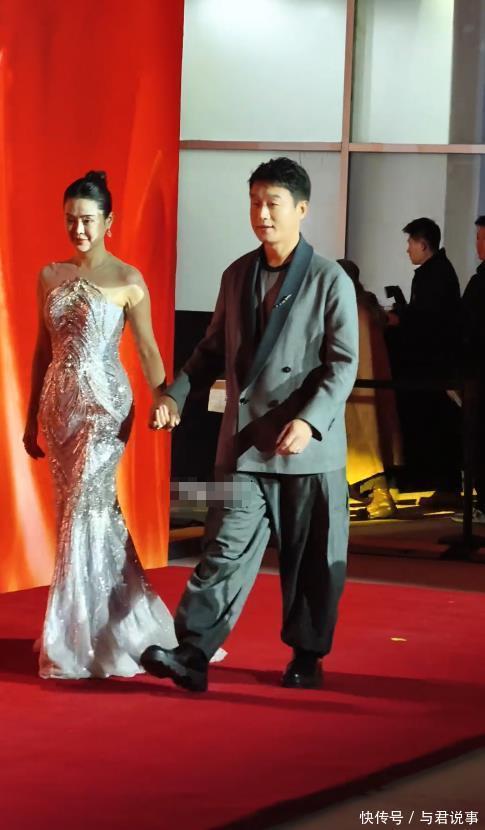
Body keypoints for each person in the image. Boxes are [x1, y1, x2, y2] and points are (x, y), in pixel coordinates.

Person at [141, 157, 358, 692]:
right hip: (243, 445)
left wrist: (309, 421)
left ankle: (307, 656)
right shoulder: (236, 274)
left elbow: (343, 364)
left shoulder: (329, 279)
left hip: (305, 449)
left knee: (311, 562)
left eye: (273, 203)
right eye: (255, 202)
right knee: (223, 548)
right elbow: (210, 350)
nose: (262, 214)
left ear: (301, 210)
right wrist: (175, 395)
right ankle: (193, 652)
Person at [23, 170, 180, 679]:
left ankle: (73, 638)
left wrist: (165, 396)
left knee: (82, 513)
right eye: (71, 220)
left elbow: (148, 349)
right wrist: (29, 417)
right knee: (86, 514)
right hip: (59, 408)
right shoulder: (49, 276)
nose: (79, 229)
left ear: (109, 221)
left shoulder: (129, 279)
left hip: (105, 408)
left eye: (88, 220)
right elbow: (42, 351)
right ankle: (117, 621)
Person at [388, 218, 461, 508]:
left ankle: (439, 485)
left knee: (432, 426)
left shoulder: (434, 274)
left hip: (430, 366)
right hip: (433, 364)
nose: (407, 249)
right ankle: (438, 484)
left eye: (410, 243)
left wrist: (400, 319)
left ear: (423, 244)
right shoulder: (437, 271)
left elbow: (428, 321)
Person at [338, 259, 401, 519]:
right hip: (374, 387)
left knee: (361, 445)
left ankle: (379, 497)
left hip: (355, 389)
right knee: (372, 441)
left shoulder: (347, 307)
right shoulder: (367, 305)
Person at [453, 215, 485, 523]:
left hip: (478, 373)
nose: (477, 243)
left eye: (481, 237)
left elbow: (467, 327)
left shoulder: (480, 283)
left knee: (479, 439)